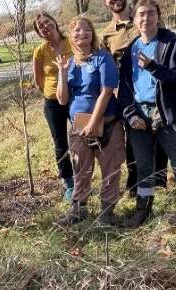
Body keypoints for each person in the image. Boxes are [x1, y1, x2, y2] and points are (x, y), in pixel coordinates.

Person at [119, 0, 176, 227]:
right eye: (141, 14)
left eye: (151, 13)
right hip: (139, 116)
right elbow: (125, 87)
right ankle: (143, 209)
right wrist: (130, 114)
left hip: (167, 113)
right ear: (134, 19)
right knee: (143, 165)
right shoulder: (131, 49)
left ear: (158, 16)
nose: (146, 18)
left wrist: (154, 67)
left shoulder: (171, 43)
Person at [54, 15, 126, 226]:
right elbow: (62, 99)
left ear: (92, 33)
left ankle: (107, 213)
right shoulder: (71, 63)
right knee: (81, 169)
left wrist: (94, 122)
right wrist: (62, 72)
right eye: (76, 30)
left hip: (107, 124)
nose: (81, 33)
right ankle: (78, 210)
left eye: (86, 29)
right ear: (71, 36)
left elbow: (107, 91)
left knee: (111, 169)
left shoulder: (102, 58)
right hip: (78, 128)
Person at [100, 0, 168, 196]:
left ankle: (158, 181)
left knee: (159, 134)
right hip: (129, 93)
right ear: (106, 2)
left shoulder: (144, 17)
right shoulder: (106, 35)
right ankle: (135, 183)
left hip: (157, 88)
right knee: (133, 138)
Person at [32, 11, 75, 200]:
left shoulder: (71, 42)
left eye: (47, 22)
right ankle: (69, 183)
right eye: (40, 26)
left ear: (54, 22)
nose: (45, 27)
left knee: (83, 138)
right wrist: (51, 93)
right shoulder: (40, 51)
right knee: (60, 143)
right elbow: (38, 79)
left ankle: (85, 178)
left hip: (76, 98)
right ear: (39, 32)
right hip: (53, 103)